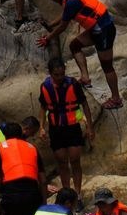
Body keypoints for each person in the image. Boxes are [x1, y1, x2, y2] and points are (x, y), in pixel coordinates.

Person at [38, 0, 124, 110]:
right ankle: (85, 78)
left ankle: (116, 99)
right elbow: (65, 15)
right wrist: (50, 24)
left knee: (107, 66)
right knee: (75, 45)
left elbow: (63, 26)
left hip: (104, 30)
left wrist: (47, 38)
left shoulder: (71, 1)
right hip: (96, 29)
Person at [39, 57, 94, 193]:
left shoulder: (73, 84)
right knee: (62, 163)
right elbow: (43, 107)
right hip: (56, 130)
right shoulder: (45, 87)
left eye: (62, 74)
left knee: (75, 160)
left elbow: (85, 105)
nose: (60, 77)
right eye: (56, 75)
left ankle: (78, 193)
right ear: (50, 73)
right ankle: (67, 193)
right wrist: (41, 127)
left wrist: (90, 127)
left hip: (72, 128)